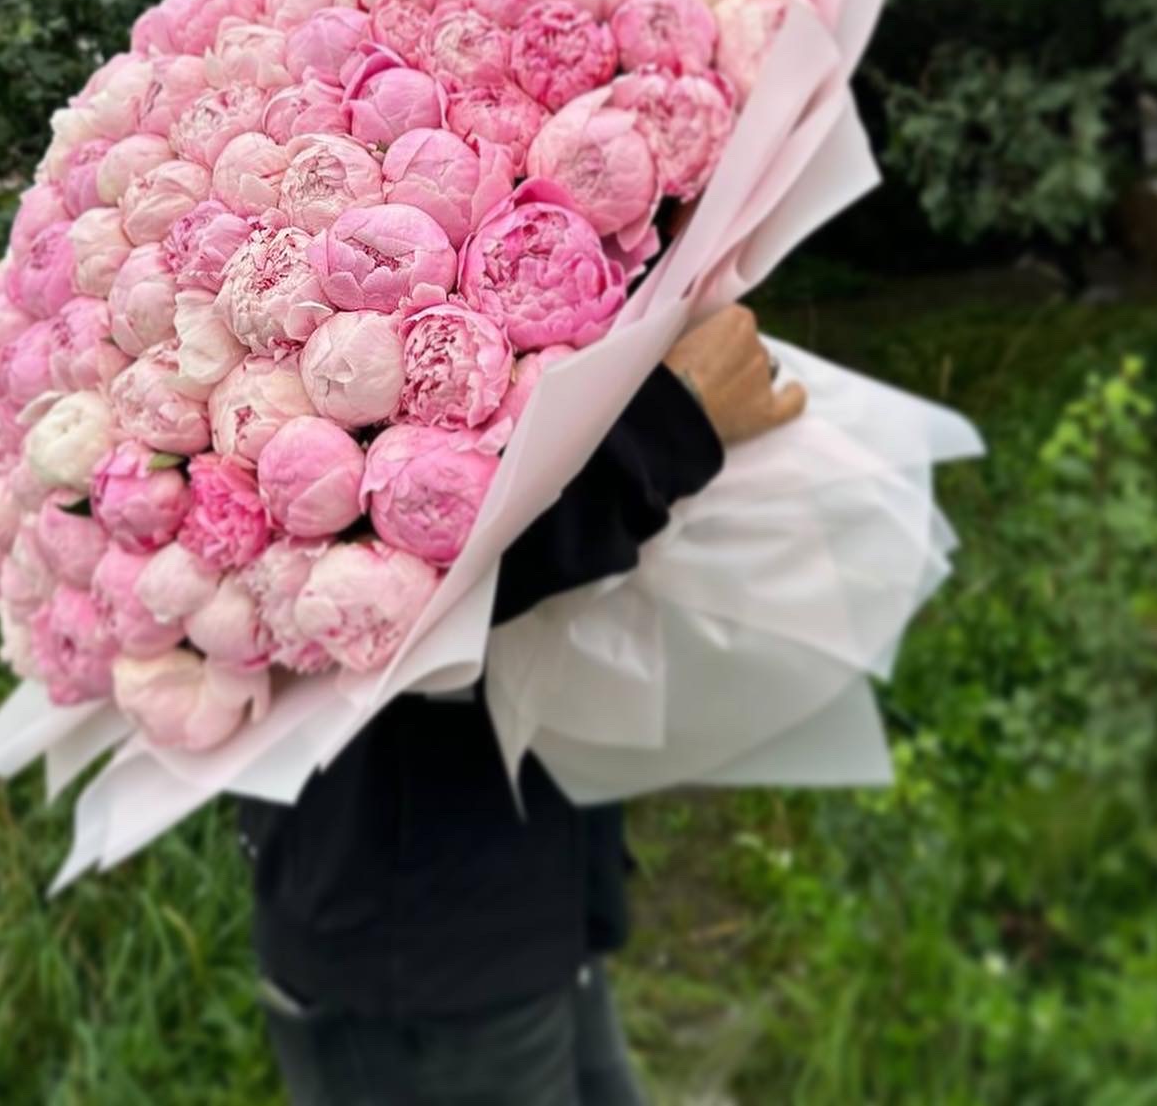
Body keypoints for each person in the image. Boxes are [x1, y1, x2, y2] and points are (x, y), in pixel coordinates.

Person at [238, 304, 806, 1105]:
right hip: (414, 933)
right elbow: (372, 578)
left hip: (531, 868)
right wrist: (667, 425)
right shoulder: (260, 305)